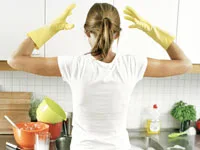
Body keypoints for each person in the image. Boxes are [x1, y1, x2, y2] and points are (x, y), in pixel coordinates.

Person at [8, 3, 192, 150]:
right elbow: (184, 64)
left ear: (87, 32)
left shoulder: (73, 65)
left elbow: (15, 60)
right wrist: (155, 32)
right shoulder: (132, 65)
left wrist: (51, 29)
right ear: (117, 34)